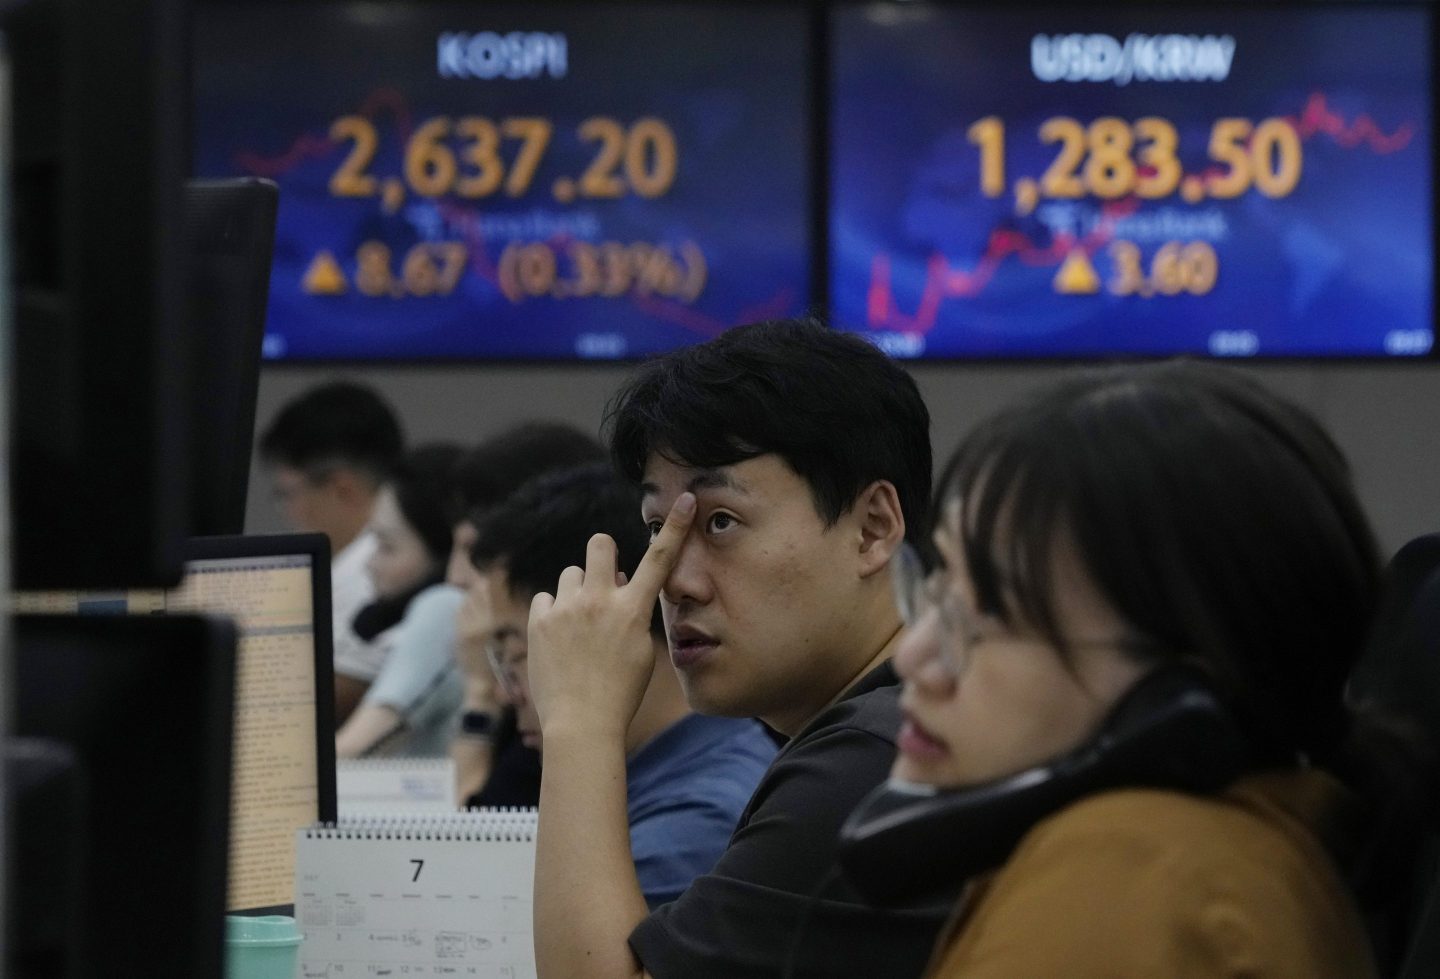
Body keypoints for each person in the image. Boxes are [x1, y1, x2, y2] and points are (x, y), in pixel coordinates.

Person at [861, 361, 1418, 977]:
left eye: (990, 613)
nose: (914, 658)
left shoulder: (1123, 880)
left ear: (1179, 695)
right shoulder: (1245, 850)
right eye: (939, 586)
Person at [523, 318, 948, 979]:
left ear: (872, 528)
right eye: (659, 529)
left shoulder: (876, 760)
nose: (674, 583)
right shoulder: (887, 728)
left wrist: (579, 720)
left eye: (721, 522)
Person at [471, 462, 777, 906]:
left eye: (517, 654)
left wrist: (576, 727)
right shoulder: (673, 772)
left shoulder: (696, 818)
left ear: (610, 623)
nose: (505, 692)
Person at [444, 423, 607, 804]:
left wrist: (480, 692)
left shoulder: (562, 705)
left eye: (473, 552)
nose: (454, 577)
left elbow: (476, 828)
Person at [258, 380, 404, 723]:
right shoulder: (354, 566)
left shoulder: (371, 574)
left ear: (342, 489)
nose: (288, 511)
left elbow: (306, 708)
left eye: (288, 494)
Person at [335, 443, 465, 758]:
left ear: (444, 558)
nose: (369, 564)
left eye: (387, 546)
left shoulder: (444, 607)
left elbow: (350, 751)